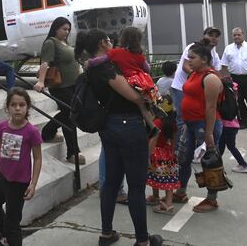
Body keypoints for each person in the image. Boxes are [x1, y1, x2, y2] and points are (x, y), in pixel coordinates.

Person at [77, 28, 163, 246]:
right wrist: (146, 94)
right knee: (135, 186)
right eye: (109, 40)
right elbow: (134, 96)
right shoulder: (106, 67)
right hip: (128, 126)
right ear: (103, 43)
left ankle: (107, 234)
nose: (112, 42)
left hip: (109, 128)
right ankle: (143, 241)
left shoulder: (92, 68)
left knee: (112, 183)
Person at [0, 88, 42, 246]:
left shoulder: (32, 131)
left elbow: (37, 158)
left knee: (13, 224)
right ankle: (4, 236)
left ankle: (9, 237)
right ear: (8, 107)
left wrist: (33, 184)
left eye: (22, 105)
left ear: (27, 107)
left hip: (19, 183)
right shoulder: (2, 127)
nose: (17, 108)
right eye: (13, 104)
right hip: (2, 177)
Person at [175, 42, 224, 213]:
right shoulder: (195, 74)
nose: (189, 61)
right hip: (190, 124)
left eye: (192, 58)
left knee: (209, 161)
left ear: (204, 59)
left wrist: (209, 133)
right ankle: (181, 191)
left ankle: (212, 199)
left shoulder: (210, 78)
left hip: (205, 126)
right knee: (184, 158)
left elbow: (211, 107)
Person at [86, 26, 161, 138]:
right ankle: (152, 125)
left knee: (139, 102)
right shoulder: (140, 56)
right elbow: (147, 68)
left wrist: (89, 63)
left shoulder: (116, 53)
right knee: (143, 104)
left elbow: (100, 60)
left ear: (123, 39)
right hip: (142, 82)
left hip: (130, 82)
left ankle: (151, 127)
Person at [33, 17, 85, 164]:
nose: (66, 32)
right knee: (70, 116)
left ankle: (47, 132)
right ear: (56, 28)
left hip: (73, 86)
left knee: (69, 113)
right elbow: (45, 63)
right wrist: (41, 81)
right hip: (61, 87)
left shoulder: (65, 43)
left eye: (68, 29)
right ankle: (72, 153)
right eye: (64, 29)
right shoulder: (51, 43)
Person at [170, 27, 222, 168]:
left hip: (198, 89)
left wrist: (204, 77)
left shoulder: (213, 55)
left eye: (216, 36)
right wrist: (197, 75)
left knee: (201, 121)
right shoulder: (192, 48)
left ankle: (200, 151)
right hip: (183, 87)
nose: (213, 38)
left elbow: (216, 73)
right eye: (210, 35)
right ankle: (181, 151)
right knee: (182, 120)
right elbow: (186, 67)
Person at [220, 27, 247, 129]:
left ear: (243, 35)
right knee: (238, 101)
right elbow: (223, 65)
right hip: (235, 78)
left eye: (238, 35)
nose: (236, 37)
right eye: (234, 35)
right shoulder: (228, 48)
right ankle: (243, 122)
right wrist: (223, 78)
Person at [146, 106, 180, 215]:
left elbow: (153, 139)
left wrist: (148, 155)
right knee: (168, 178)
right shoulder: (172, 123)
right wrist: (172, 151)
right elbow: (174, 140)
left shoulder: (156, 122)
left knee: (153, 175)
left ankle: (161, 200)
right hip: (168, 154)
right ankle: (165, 202)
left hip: (156, 154)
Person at [217, 80, 247, 174]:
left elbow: (225, 112)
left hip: (228, 126)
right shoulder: (232, 94)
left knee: (230, 146)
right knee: (221, 146)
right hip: (231, 125)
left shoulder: (226, 97)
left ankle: (244, 165)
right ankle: (217, 164)